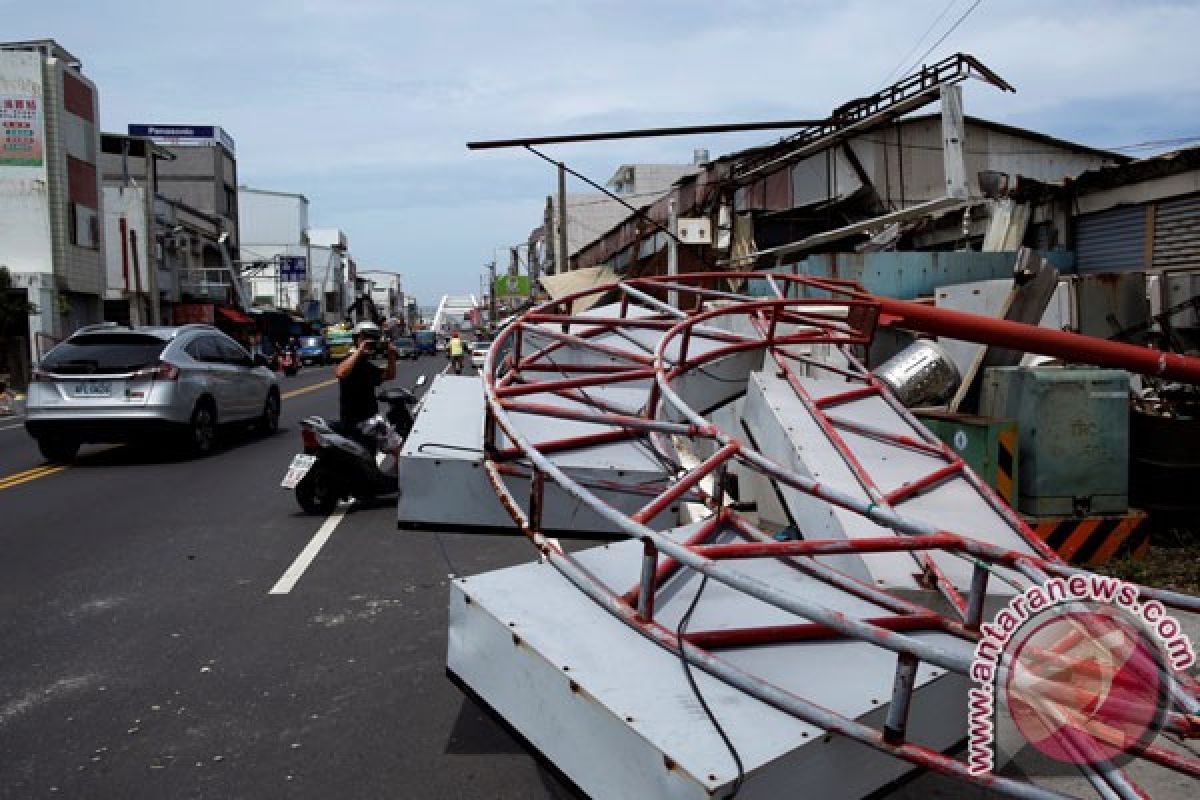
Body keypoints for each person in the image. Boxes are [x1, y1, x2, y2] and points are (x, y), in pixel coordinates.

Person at [335, 321, 397, 450]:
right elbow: (340, 372)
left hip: (370, 420)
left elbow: (389, 375)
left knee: (394, 446)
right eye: (364, 339)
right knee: (395, 448)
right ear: (356, 340)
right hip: (354, 422)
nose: (369, 343)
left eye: (372, 340)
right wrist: (359, 350)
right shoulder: (349, 360)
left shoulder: (367, 366)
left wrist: (391, 356)